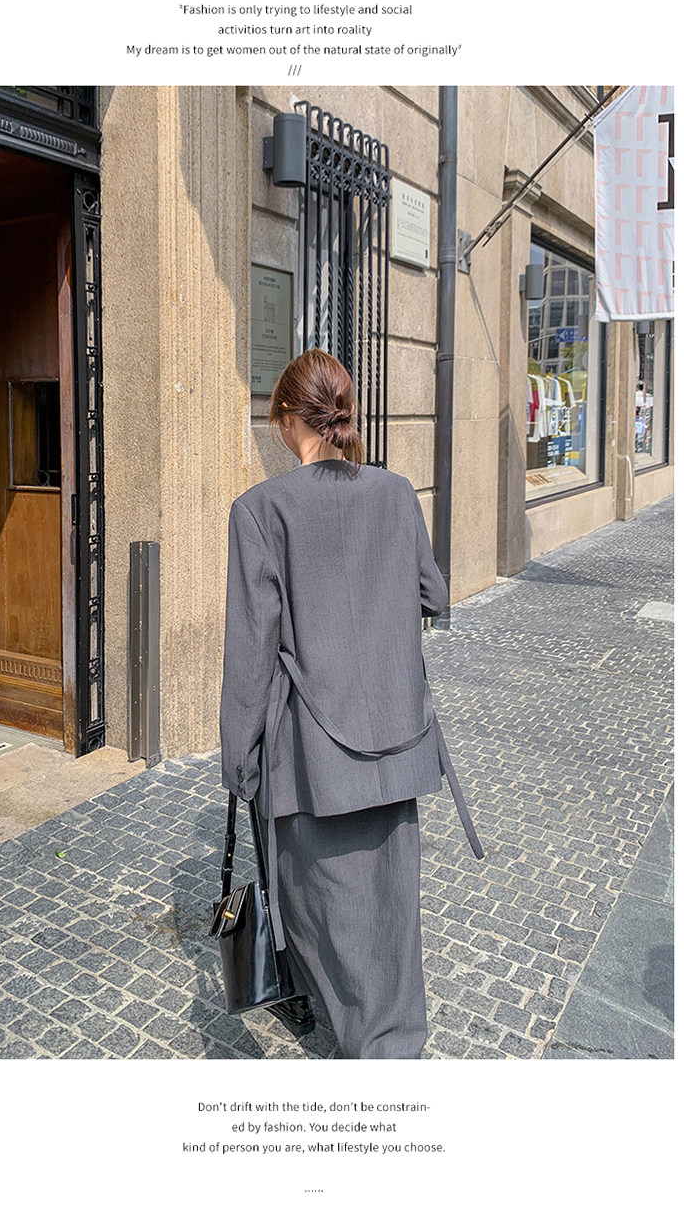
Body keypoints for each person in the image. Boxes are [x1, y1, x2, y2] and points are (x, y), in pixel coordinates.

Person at [219, 347, 479, 1059]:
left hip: (312, 755)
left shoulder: (260, 511)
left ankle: (372, 1053)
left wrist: (239, 761)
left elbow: (250, 655)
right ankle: (392, 1041)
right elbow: (435, 596)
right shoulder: (395, 492)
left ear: (286, 420)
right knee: (388, 908)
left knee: (317, 899)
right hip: (395, 739)